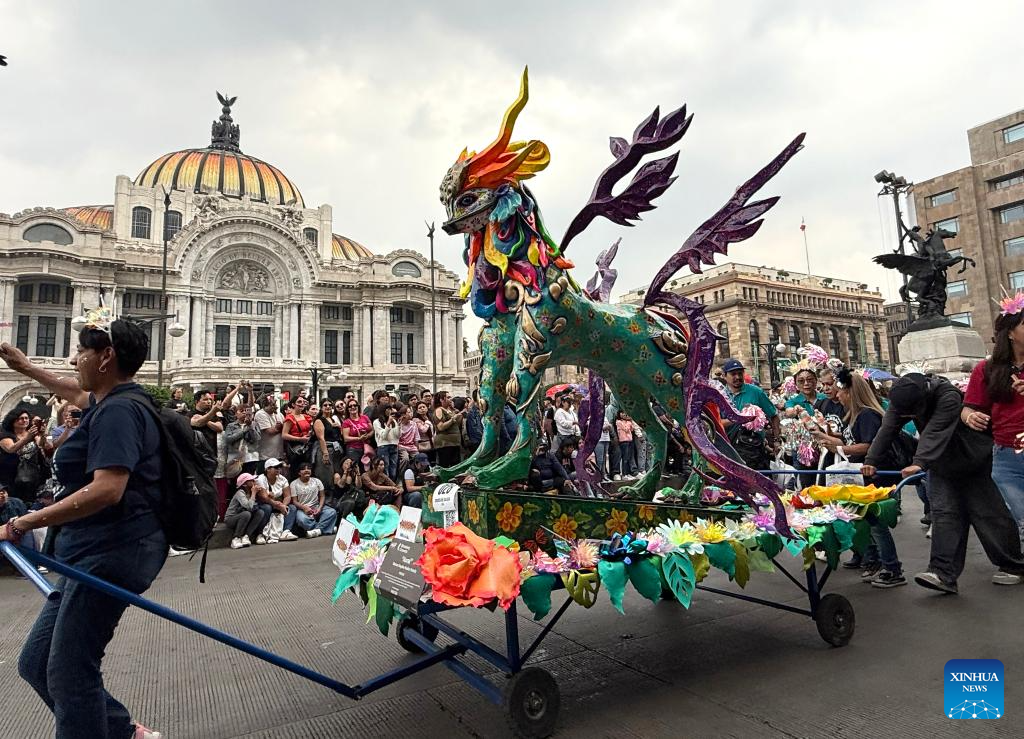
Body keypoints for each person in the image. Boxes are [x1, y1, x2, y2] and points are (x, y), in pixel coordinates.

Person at [0, 320, 166, 739]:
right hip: (87, 553)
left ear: (106, 357)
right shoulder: (109, 400)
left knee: (70, 673)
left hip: (112, 553)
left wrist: (23, 521)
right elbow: (73, 391)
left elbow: (108, 489)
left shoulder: (120, 412)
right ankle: (121, 731)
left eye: (81, 352)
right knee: (37, 664)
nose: (74, 361)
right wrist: (24, 366)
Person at [864, 373, 1024, 593]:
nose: (908, 416)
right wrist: (871, 460)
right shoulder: (902, 398)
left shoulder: (948, 395)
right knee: (944, 514)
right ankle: (942, 573)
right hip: (942, 464)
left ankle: (1013, 565)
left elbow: (935, 430)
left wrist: (919, 462)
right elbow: (888, 428)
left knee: (989, 514)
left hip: (974, 460)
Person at [815, 367, 904, 588]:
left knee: (877, 524)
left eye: (840, 391)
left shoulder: (867, 415)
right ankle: (874, 560)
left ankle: (892, 568)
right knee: (867, 522)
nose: (837, 395)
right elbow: (848, 441)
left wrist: (840, 450)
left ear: (850, 392)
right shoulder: (853, 416)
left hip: (875, 476)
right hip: (862, 476)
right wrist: (825, 436)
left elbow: (869, 445)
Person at [963, 304, 1024, 542]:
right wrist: (970, 416)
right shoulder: (986, 369)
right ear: (1010, 333)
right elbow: (968, 407)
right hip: (1007, 457)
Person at [721, 358, 779, 471]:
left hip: (753, 450)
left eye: (740, 373)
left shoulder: (756, 392)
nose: (737, 377)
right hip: (727, 449)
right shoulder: (719, 395)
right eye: (733, 374)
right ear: (724, 376)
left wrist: (776, 440)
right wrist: (738, 419)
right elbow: (715, 423)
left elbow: (773, 415)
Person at [1, 408, 50, 504]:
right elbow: (11, 449)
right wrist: (28, 437)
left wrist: (42, 434)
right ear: (13, 420)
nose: (24, 420)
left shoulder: (32, 433)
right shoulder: (5, 435)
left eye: (26, 418)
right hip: (12, 476)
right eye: (21, 418)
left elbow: (43, 445)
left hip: (33, 474)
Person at [255, 458, 298, 542]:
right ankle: (260, 534)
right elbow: (264, 497)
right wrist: (277, 505)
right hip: (264, 504)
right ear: (268, 469)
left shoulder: (282, 479)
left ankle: (286, 531)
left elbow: (287, 496)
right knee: (267, 508)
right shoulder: (261, 479)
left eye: (279, 467)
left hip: (278, 503)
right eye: (275, 467)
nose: (278, 469)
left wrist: (283, 505)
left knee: (292, 508)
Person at [289, 463, 338, 538]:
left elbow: (322, 496)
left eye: (308, 468)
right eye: (303, 469)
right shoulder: (294, 484)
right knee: (302, 520)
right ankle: (327, 528)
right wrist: (304, 508)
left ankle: (318, 530)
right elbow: (294, 501)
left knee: (332, 512)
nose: (306, 470)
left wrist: (319, 508)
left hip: (316, 506)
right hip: (302, 509)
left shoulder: (317, 481)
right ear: (299, 473)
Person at [224, 472, 269, 548]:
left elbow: (255, 507)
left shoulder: (251, 492)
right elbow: (248, 507)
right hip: (232, 518)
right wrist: (254, 493)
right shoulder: (240, 493)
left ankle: (246, 536)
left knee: (260, 512)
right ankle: (236, 538)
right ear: (244, 484)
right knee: (246, 514)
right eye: (251, 480)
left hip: (245, 517)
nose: (254, 482)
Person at [312, 398, 343, 491]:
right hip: (325, 449)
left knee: (336, 475)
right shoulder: (319, 421)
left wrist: (339, 427)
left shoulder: (333, 419)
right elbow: (321, 438)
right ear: (321, 407)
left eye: (330, 405)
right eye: (325, 405)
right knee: (326, 475)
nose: (328, 407)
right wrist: (325, 454)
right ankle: (326, 496)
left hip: (336, 450)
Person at [224, 403, 261, 478]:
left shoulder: (254, 424)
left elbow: (257, 439)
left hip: (251, 458)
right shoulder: (231, 426)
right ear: (235, 414)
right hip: (235, 458)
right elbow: (228, 439)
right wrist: (243, 432)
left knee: (249, 480)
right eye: (241, 411)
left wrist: (250, 426)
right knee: (235, 480)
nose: (244, 413)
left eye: (246, 411)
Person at [432, 391, 464, 467]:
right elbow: (440, 427)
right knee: (445, 465)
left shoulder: (450, 410)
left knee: (455, 466)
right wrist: (452, 419)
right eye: (448, 397)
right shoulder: (439, 410)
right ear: (441, 400)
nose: (451, 399)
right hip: (445, 444)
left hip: (454, 443)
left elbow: (456, 425)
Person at [281, 396, 312, 472]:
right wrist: (300, 439)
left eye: (303, 402)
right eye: (299, 402)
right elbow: (284, 435)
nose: (302, 404)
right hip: (296, 449)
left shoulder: (306, 417)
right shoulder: (290, 418)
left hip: (307, 447)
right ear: (293, 404)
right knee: (297, 470)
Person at [253, 394, 285, 466]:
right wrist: (280, 428)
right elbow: (270, 431)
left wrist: (279, 428)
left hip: (279, 454)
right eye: (272, 405)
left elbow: (285, 430)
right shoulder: (260, 414)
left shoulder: (279, 414)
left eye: (275, 404)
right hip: (265, 456)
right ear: (265, 406)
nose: (276, 406)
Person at [341, 400, 374, 471]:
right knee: (355, 470)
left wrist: (367, 436)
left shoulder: (365, 418)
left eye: (355, 405)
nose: (353, 407)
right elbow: (346, 438)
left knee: (366, 470)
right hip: (353, 449)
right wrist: (359, 438)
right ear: (347, 409)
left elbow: (372, 430)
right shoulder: (346, 422)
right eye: (350, 406)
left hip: (366, 449)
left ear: (358, 407)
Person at [373, 405, 401, 479]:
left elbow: (398, 436)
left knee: (393, 469)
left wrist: (398, 425)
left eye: (390, 409)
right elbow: (383, 436)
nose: (389, 411)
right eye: (387, 409)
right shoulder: (376, 422)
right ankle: (386, 485)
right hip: (383, 447)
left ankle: (392, 484)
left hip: (394, 446)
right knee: (385, 468)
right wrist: (388, 423)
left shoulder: (393, 421)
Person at [614, 409, 636, 480]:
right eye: (622, 413)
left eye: (624, 413)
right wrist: (629, 422)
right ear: (619, 414)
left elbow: (632, 429)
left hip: (629, 440)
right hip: (623, 441)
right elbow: (626, 429)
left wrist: (630, 422)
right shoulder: (618, 422)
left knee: (629, 457)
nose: (624, 414)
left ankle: (627, 473)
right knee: (625, 458)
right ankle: (624, 474)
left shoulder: (628, 421)